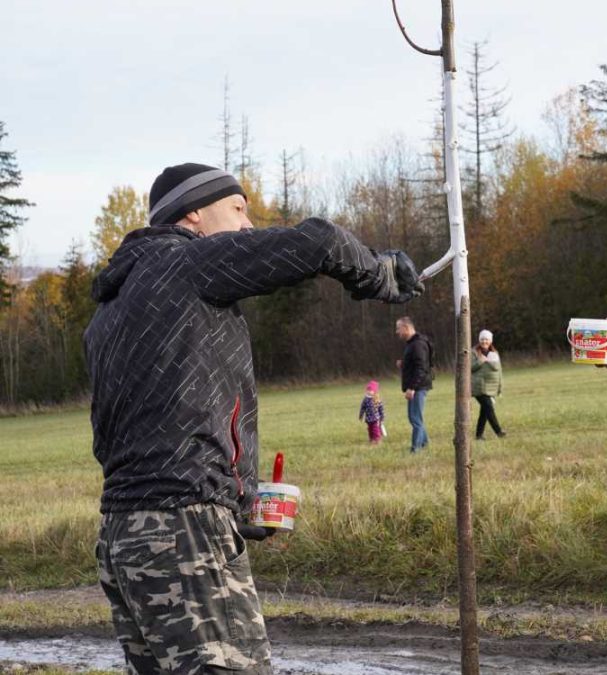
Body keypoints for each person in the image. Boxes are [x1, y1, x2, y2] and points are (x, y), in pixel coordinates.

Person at [84, 163, 424, 674]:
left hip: (121, 535)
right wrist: (378, 274)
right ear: (193, 214)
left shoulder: (108, 313)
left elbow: (148, 431)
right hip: (184, 527)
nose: (247, 225)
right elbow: (319, 243)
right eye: (238, 208)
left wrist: (238, 498)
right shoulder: (185, 261)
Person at [395, 316, 434, 453]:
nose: (397, 332)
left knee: (415, 418)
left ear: (406, 328)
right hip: (417, 385)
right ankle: (424, 442)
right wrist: (404, 364)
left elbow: (421, 368)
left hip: (419, 386)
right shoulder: (412, 343)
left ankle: (416, 448)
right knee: (414, 417)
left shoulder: (417, 344)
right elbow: (416, 363)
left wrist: (412, 388)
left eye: (398, 328)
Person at [471, 329, 506, 440]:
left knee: (484, 411)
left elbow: (499, 371)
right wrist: (480, 361)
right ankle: (498, 431)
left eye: (486, 339)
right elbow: (470, 368)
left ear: (490, 341)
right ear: (479, 340)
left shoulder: (495, 354)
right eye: (482, 339)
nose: (484, 341)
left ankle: (479, 435)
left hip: (492, 387)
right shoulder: (473, 353)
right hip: (479, 387)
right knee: (489, 409)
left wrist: (500, 387)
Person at [359, 379, 386, 444]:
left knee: (375, 429)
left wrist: (382, 418)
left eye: (370, 390)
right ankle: (371, 439)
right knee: (370, 429)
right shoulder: (365, 399)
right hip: (368, 419)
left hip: (376, 419)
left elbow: (381, 409)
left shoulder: (377, 400)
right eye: (368, 390)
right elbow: (362, 408)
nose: (368, 391)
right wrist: (361, 415)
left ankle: (377, 440)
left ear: (374, 391)